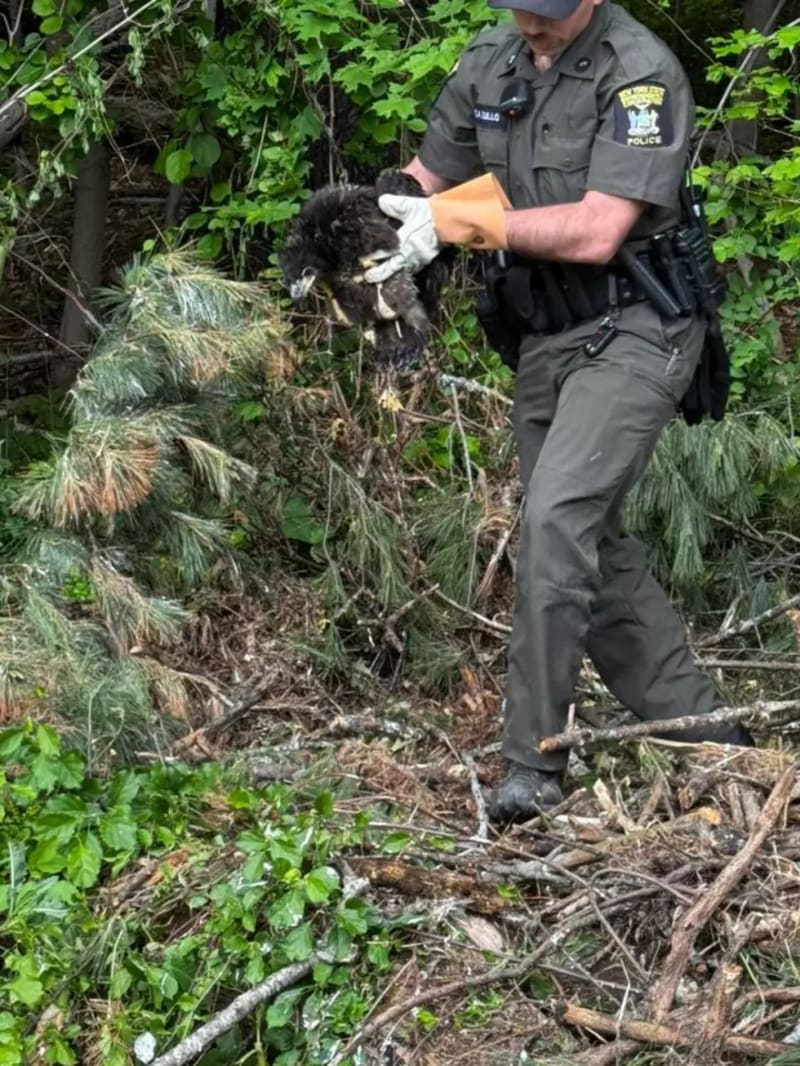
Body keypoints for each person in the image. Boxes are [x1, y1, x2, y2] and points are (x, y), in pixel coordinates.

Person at [364, 0, 753, 823]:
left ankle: (531, 765)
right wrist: (368, 227)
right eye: (520, 7)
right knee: (586, 548)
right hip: (546, 332)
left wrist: (450, 223)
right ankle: (716, 745)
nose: (531, 23)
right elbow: (425, 179)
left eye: (547, 9)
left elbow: (597, 229)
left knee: (556, 520)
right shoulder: (493, 61)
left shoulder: (638, 72)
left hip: (638, 322)